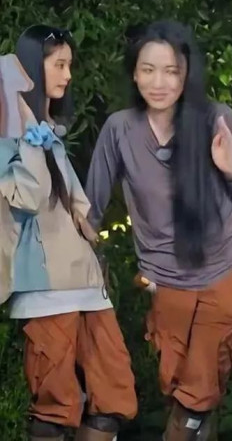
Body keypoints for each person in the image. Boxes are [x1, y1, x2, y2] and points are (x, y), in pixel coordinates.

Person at [85, 20, 232, 440]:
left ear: (187, 74)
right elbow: (91, 207)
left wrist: (230, 169)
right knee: (178, 384)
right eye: (148, 70)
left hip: (222, 270)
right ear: (134, 73)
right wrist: (85, 263)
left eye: (171, 71)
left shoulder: (218, 119)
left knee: (196, 392)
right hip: (163, 279)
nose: (159, 82)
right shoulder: (120, 129)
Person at [0, 25, 137, 441]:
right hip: (45, 284)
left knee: (114, 399)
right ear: (30, 68)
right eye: (59, 64)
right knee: (56, 406)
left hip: (86, 281)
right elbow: (28, 196)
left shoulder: (51, 134)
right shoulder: (9, 132)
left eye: (69, 64)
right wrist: (25, 127)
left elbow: (79, 208)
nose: (68, 74)